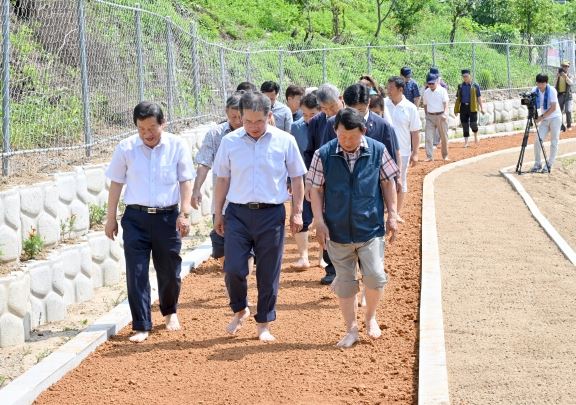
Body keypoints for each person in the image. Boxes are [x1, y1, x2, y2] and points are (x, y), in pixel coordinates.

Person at [212, 91, 306, 341]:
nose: (253, 127)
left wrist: (297, 212)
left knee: (268, 271)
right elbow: (222, 179)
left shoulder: (284, 141)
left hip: (271, 214)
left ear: (269, 116)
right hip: (238, 214)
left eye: (259, 121)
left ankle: (264, 322)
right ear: (240, 117)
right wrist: (217, 213)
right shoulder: (230, 142)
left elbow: (297, 177)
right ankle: (241, 308)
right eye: (248, 121)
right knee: (233, 268)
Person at [308, 107, 399, 348]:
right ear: (335, 130)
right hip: (337, 231)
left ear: (363, 131)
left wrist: (392, 215)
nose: (347, 141)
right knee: (346, 282)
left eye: (352, 136)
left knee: (375, 276)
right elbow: (315, 189)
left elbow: (388, 183)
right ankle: (351, 329)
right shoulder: (323, 154)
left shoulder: (377, 150)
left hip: (370, 228)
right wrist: (319, 220)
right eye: (342, 135)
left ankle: (370, 317)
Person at [104, 101, 194, 343]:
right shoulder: (126, 148)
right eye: (141, 129)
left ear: (162, 123)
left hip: (167, 218)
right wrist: (110, 218)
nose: (147, 134)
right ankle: (141, 324)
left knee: (169, 270)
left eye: (152, 127)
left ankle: (170, 311)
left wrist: (184, 214)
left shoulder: (177, 146)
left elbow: (186, 181)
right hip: (136, 218)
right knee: (137, 271)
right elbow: (115, 184)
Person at [192, 93, 243, 262]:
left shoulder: (255, 133)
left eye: (240, 116)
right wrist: (196, 189)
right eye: (232, 116)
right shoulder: (215, 134)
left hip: (246, 201)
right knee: (222, 248)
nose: (237, 120)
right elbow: (204, 162)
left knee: (245, 251)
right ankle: (230, 279)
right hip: (223, 202)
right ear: (226, 113)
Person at [303, 83, 344, 285]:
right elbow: (310, 151)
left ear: (340, 99)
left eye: (332, 107)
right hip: (324, 179)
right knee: (327, 221)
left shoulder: (351, 119)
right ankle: (331, 268)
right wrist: (311, 178)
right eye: (325, 109)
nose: (329, 112)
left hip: (346, 178)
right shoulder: (317, 122)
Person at [290, 92, 321, 269]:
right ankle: (303, 256)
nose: (308, 119)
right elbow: (291, 156)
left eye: (312, 115)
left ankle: (322, 256)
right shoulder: (296, 127)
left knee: (322, 216)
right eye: (305, 114)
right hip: (301, 178)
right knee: (300, 213)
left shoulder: (327, 125)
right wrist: (289, 179)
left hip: (322, 179)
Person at [385, 76, 422, 224]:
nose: (388, 90)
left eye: (391, 88)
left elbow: (415, 132)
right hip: (384, 150)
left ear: (401, 90)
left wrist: (416, 153)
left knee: (400, 181)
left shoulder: (410, 108)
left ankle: (396, 212)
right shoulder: (384, 104)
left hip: (403, 152)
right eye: (387, 87)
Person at [530, 73, 563, 173]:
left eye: (542, 83)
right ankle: (537, 164)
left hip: (555, 118)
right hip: (544, 119)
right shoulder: (534, 90)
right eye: (538, 83)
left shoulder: (552, 90)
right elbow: (533, 104)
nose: (540, 86)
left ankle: (549, 164)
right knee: (537, 141)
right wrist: (534, 114)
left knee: (554, 142)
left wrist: (541, 117)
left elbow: (553, 107)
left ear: (546, 83)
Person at [422, 73, 449, 161]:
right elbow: (425, 105)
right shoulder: (426, 92)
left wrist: (445, 113)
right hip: (430, 116)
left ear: (437, 82)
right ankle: (429, 156)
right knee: (428, 137)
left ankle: (445, 156)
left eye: (432, 83)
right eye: (429, 83)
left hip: (441, 116)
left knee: (444, 137)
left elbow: (446, 103)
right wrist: (426, 115)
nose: (431, 85)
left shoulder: (442, 91)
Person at [454, 69, 484, 147]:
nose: (465, 78)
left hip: (473, 106)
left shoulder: (475, 85)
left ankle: (475, 136)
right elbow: (458, 98)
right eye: (463, 76)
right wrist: (456, 109)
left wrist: (482, 108)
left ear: (470, 76)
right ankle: (466, 142)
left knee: (473, 124)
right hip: (463, 107)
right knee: (464, 124)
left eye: (466, 76)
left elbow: (479, 97)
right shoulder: (460, 86)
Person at [556, 60, 573, 130]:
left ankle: (569, 125)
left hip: (568, 95)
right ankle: (561, 126)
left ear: (568, 67)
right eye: (563, 66)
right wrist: (557, 76)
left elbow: (571, 83)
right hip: (560, 95)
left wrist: (565, 76)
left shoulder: (570, 75)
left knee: (568, 110)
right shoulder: (558, 75)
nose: (564, 67)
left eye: (566, 66)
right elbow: (555, 84)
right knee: (559, 111)